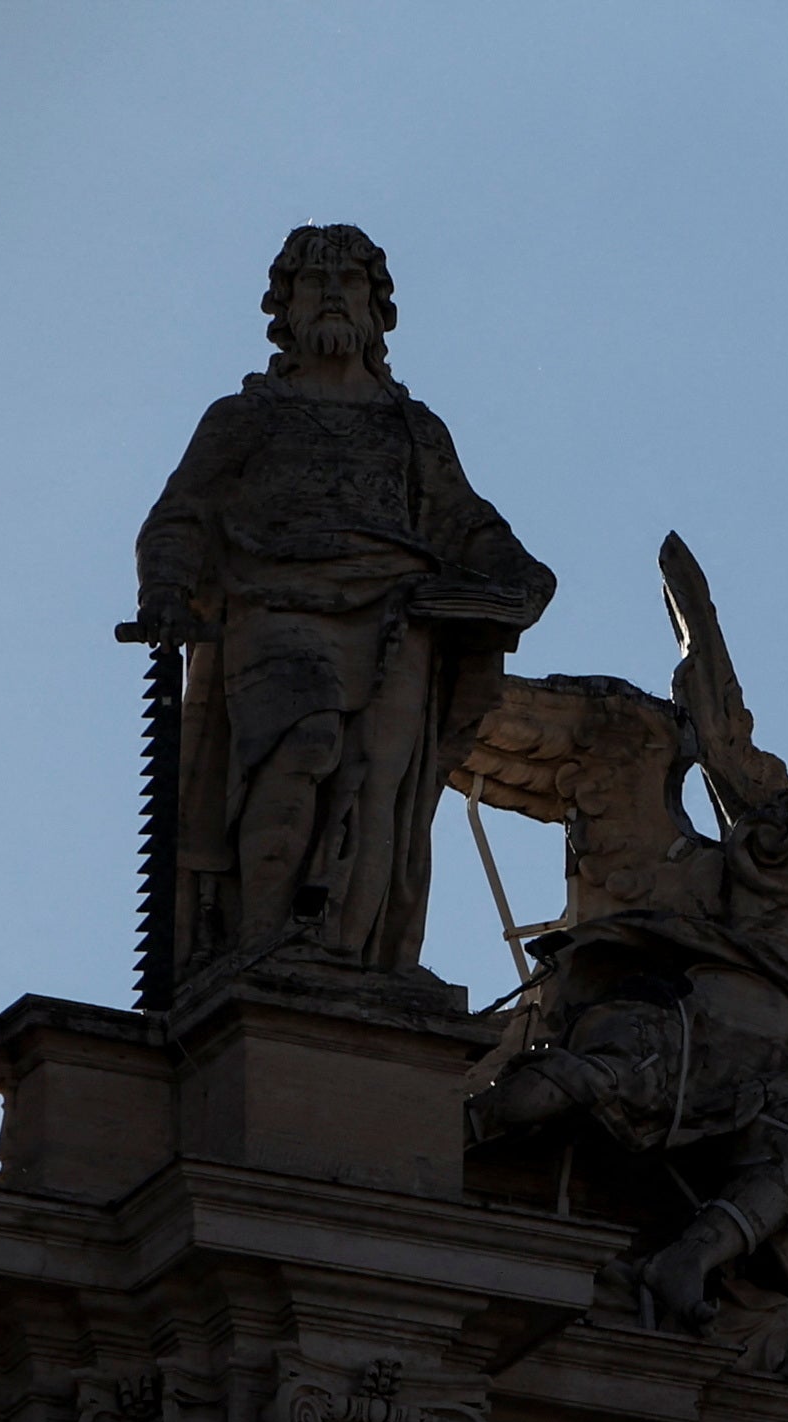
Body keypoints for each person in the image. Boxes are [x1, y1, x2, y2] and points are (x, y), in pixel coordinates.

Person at [131, 225, 550, 987]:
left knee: (380, 788)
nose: (330, 294)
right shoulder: (245, 417)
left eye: (347, 280)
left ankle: (352, 956)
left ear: (375, 306)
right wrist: (165, 582)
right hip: (275, 604)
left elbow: (466, 520)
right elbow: (182, 512)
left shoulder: (413, 429)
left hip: (402, 615)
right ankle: (261, 943)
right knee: (301, 747)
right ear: (283, 308)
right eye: (311, 282)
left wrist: (517, 572)